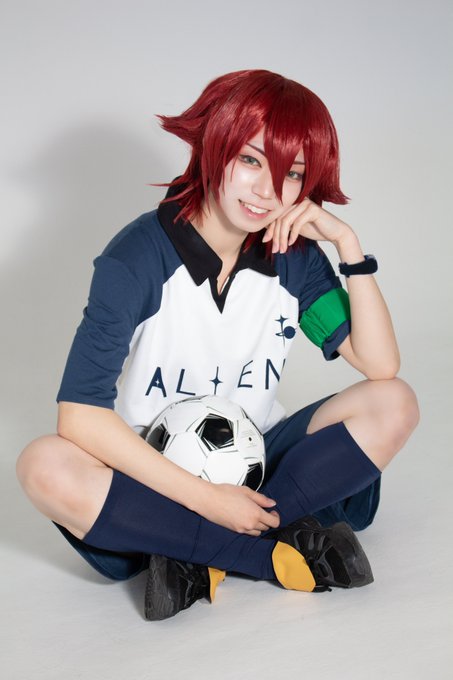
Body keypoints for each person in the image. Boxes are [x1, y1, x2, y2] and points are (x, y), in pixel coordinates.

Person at [16, 69, 419, 621]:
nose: (268, 191)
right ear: (214, 146)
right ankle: (260, 553)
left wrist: (348, 246)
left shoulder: (294, 256)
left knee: (395, 400)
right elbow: (80, 413)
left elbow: (379, 364)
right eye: (251, 160)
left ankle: (194, 552)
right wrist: (206, 499)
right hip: (152, 484)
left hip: (260, 469)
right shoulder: (135, 258)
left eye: (292, 173)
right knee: (43, 464)